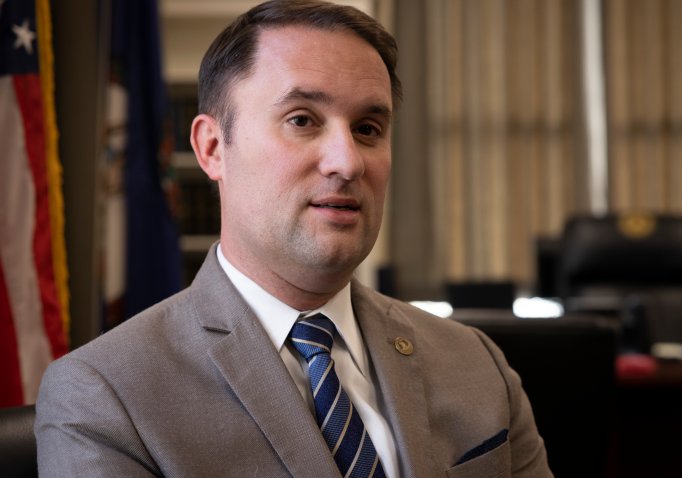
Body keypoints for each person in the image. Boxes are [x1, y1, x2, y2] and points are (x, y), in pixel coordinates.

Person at [35, 1, 553, 476]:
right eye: (302, 120)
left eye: (368, 129)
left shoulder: (475, 363)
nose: (347, 161)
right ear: (213, 148)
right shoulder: (102, 397)